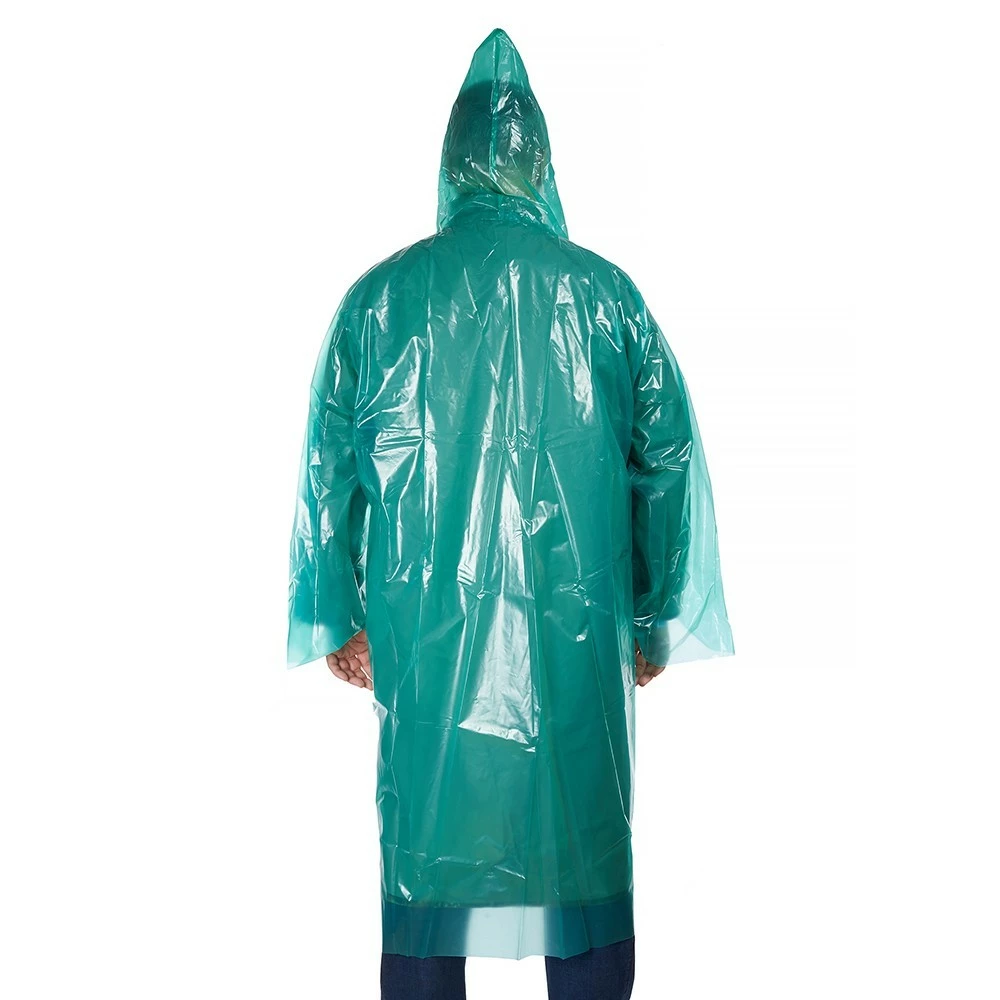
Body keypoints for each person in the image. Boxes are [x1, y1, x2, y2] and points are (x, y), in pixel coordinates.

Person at [287, 27, 734, 1000]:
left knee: (428, 869)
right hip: (575, 644)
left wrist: (338, 613)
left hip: (428, 648)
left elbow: (328, 468)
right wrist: (653, 617)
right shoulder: (605, 298)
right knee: (581, 869)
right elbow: (664, 462)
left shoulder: (379, 301)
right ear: (544, 162)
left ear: (449, 161)